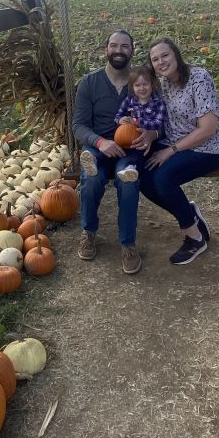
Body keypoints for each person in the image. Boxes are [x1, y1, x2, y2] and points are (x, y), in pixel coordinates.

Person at [72, 30, 158, 275]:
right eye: (113, 45)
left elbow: (160, 119)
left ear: (132, 50)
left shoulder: (141, 82)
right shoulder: (90, 83)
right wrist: (100, 143)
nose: (118, 50)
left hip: (129, 150)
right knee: (91, 179)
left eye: (124, 46)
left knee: (128, 182)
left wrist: (152, 135)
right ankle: (88, 233)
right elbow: (78, 125)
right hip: (98, 147)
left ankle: (128, 245)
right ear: (105, 49)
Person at [141, 37, 219, 265]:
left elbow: (208, 129)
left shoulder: (199, 78)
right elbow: (158, 118)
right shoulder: (163, 83)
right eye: (155, 59)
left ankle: (195, 238)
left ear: (176, 54)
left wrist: (171, 150)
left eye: (165, 55)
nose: (161, 62)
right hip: (173, 142)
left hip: (206, 148)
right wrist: (149, 134)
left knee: (162, 178)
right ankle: (190, 217)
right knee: (142, 175)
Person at [111, 65, 167, 183]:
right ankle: (95, 160)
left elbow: (158, 123)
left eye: (145, 84)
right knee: (117, 148)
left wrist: (137, 122)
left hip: (149, 140)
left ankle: (132, 168)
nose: (142, 88)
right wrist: (120, 120)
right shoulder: (129, 100)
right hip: (130, 138)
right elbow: (118, 115)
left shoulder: (158, 103)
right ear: (132, 87)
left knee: (139, 151)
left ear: (152, 84)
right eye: (137, 85)